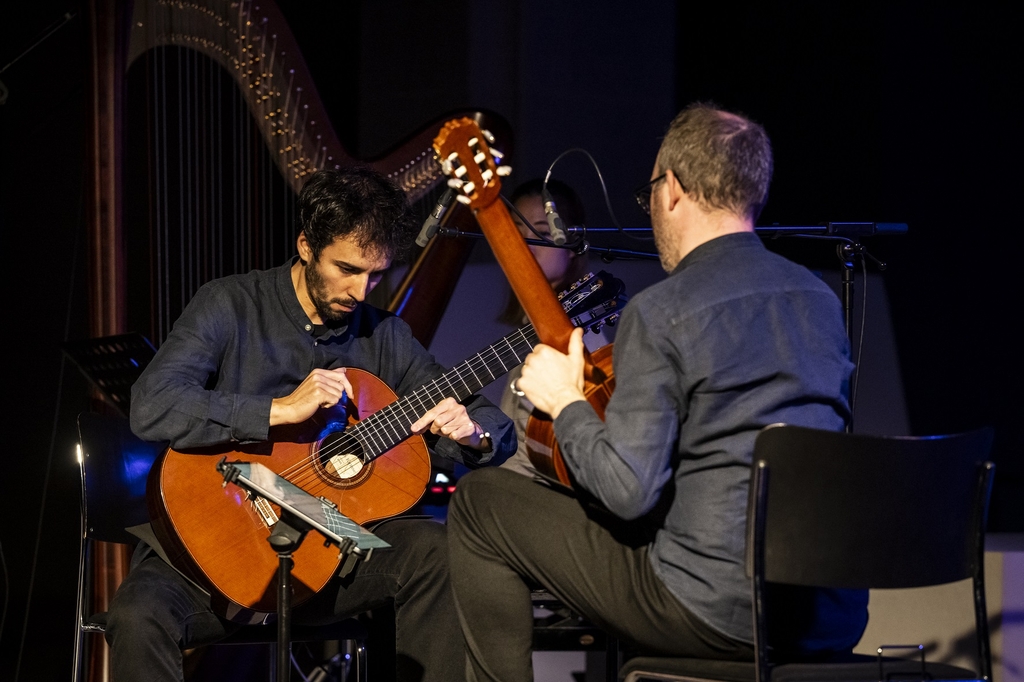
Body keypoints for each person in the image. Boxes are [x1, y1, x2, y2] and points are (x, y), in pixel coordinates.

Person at [446, 103, 869, 681]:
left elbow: (627, 493)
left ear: (670, 190)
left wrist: (565, 401)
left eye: (649, 194)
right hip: (827, 614)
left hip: (713, 612)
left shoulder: (662, 311)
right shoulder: (817, 297)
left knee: (480, 502)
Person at [107, 166, 515, 682]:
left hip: (331, 558)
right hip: (209, 546)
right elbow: (152, 404)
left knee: (438, 552)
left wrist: (472, 432)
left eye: (375, 275)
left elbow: (490, 423)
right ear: (306, 246)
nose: (361, 291)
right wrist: (279, 410)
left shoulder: (385, 336)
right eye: (347, 269)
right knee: (136, 616)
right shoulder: (230, 303)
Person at [497, 178, 620, 478]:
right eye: (516, 233)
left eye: (541, 233)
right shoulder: (529, 324)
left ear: (572, 245)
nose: (524, 246)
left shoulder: (580, 334)